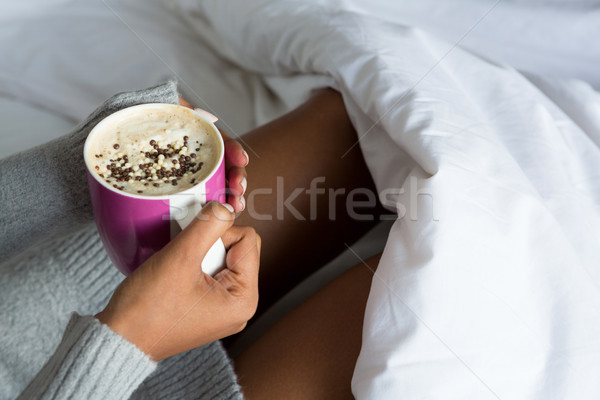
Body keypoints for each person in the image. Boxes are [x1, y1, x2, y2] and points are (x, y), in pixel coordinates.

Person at [0, 81, 384, 399]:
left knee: (369, 122)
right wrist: (129, 340)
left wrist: (94, 161)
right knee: (409, 285)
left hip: (29, 299)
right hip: (94, 375)